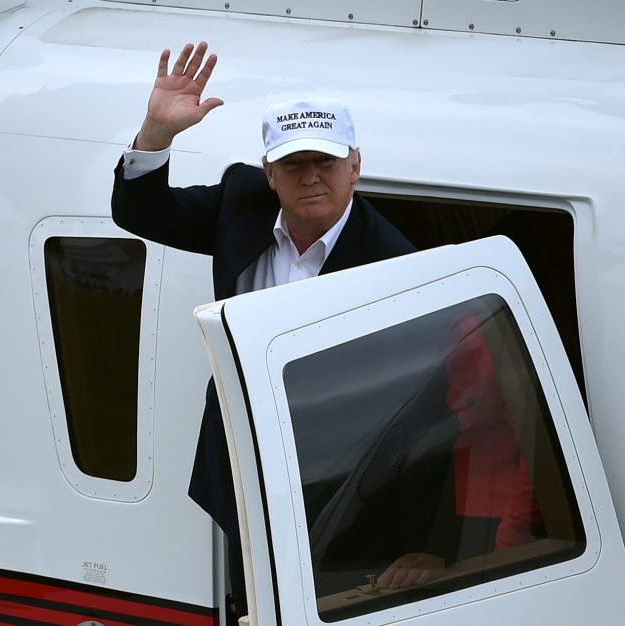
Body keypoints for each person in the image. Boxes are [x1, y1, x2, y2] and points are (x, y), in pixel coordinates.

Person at [110, 41, 415, 622]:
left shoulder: (393, 261)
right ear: (270, 173)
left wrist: (417, 537)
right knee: (248, 602)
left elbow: (416, 405)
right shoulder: (240, 202)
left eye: (324, 162)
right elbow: (138, 213)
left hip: (342, 483)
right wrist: (156, 131)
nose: (311, 178)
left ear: (355, 166)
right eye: (295, 165)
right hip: (240, 468)